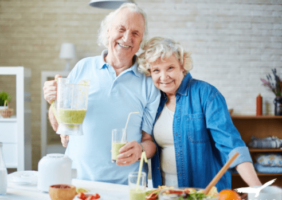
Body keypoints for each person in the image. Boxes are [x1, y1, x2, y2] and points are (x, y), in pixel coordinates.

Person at [43, 3, 160, 184]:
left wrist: (140, 151)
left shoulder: (148, 81)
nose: (127, 38)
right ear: (107, 31)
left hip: (125, 187)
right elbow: (59, 119)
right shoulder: (83, 67)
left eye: (135, 33)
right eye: (121, 29)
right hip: (76, 181)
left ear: (141, 40)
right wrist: (53, 100)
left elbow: (150, 141)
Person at [138, 37, 262, 191]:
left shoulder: (206, 94)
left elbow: (232, 145)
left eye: (170, 67)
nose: (164, 77)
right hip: (165, 193)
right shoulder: (154, 102)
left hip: (204, 194)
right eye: (156, 70)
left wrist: (258, 188)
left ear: (182, 66)